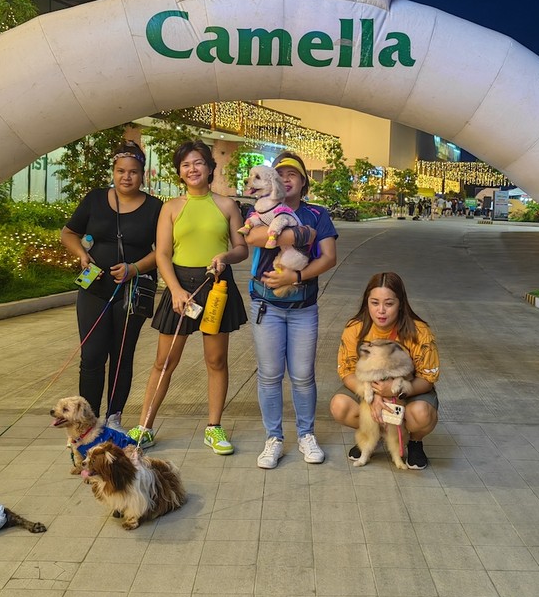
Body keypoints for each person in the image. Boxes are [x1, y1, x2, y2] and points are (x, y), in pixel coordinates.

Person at [128, 139, 248, 454]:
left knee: (216, 360)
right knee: (164, 361)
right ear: (180, 173)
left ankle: (214, 428)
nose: (192, 169)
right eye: (185, 165)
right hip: (179, 287)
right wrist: (176, 290)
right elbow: (163, 255)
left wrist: (225, 256)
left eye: (198, 163)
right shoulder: (171, 208)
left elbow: (241, 249)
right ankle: (145, 426)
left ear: (210, 168)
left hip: (216, 285)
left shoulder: (226, 205)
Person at [243, 152, 338, 469]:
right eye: (278, 173)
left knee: (302, 376)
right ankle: (273, 438)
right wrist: (300, 235)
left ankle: (306, 434)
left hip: (303, 307)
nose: (285, 178)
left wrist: (294, 276)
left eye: (292, 174)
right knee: (269, 376)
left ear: (303, 181)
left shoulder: (317, 213)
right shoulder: (260, 209)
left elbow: (328, 257)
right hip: (266, 306)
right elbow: (254, 236)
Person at [60, 140, 161, 432]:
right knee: (92, 354)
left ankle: (114, 417)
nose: (126, 177)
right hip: (94, 287)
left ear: (143, 175)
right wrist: (81, 254)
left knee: (121, 354)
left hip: (133, 290)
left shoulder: (155, 207)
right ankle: (86, 420)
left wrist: (134, 268)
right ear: (113, 172)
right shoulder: (94, 199)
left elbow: (164, 249)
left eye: (133, 172)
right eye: (120, 171)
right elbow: (68, 233)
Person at [329, 272, 440, 470]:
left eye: (389, 304)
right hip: (368, 387)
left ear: (400, 303)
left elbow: (427, 378)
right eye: (374, 303)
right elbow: (346, 371)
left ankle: (414, 442)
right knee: (340, 406)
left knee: (421, 414)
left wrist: (395, 390)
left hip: (406, 390)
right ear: (366, 302)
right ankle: (374, 435)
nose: (381, 311)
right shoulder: (355, 328)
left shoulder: (419, 331)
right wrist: (373, 395)